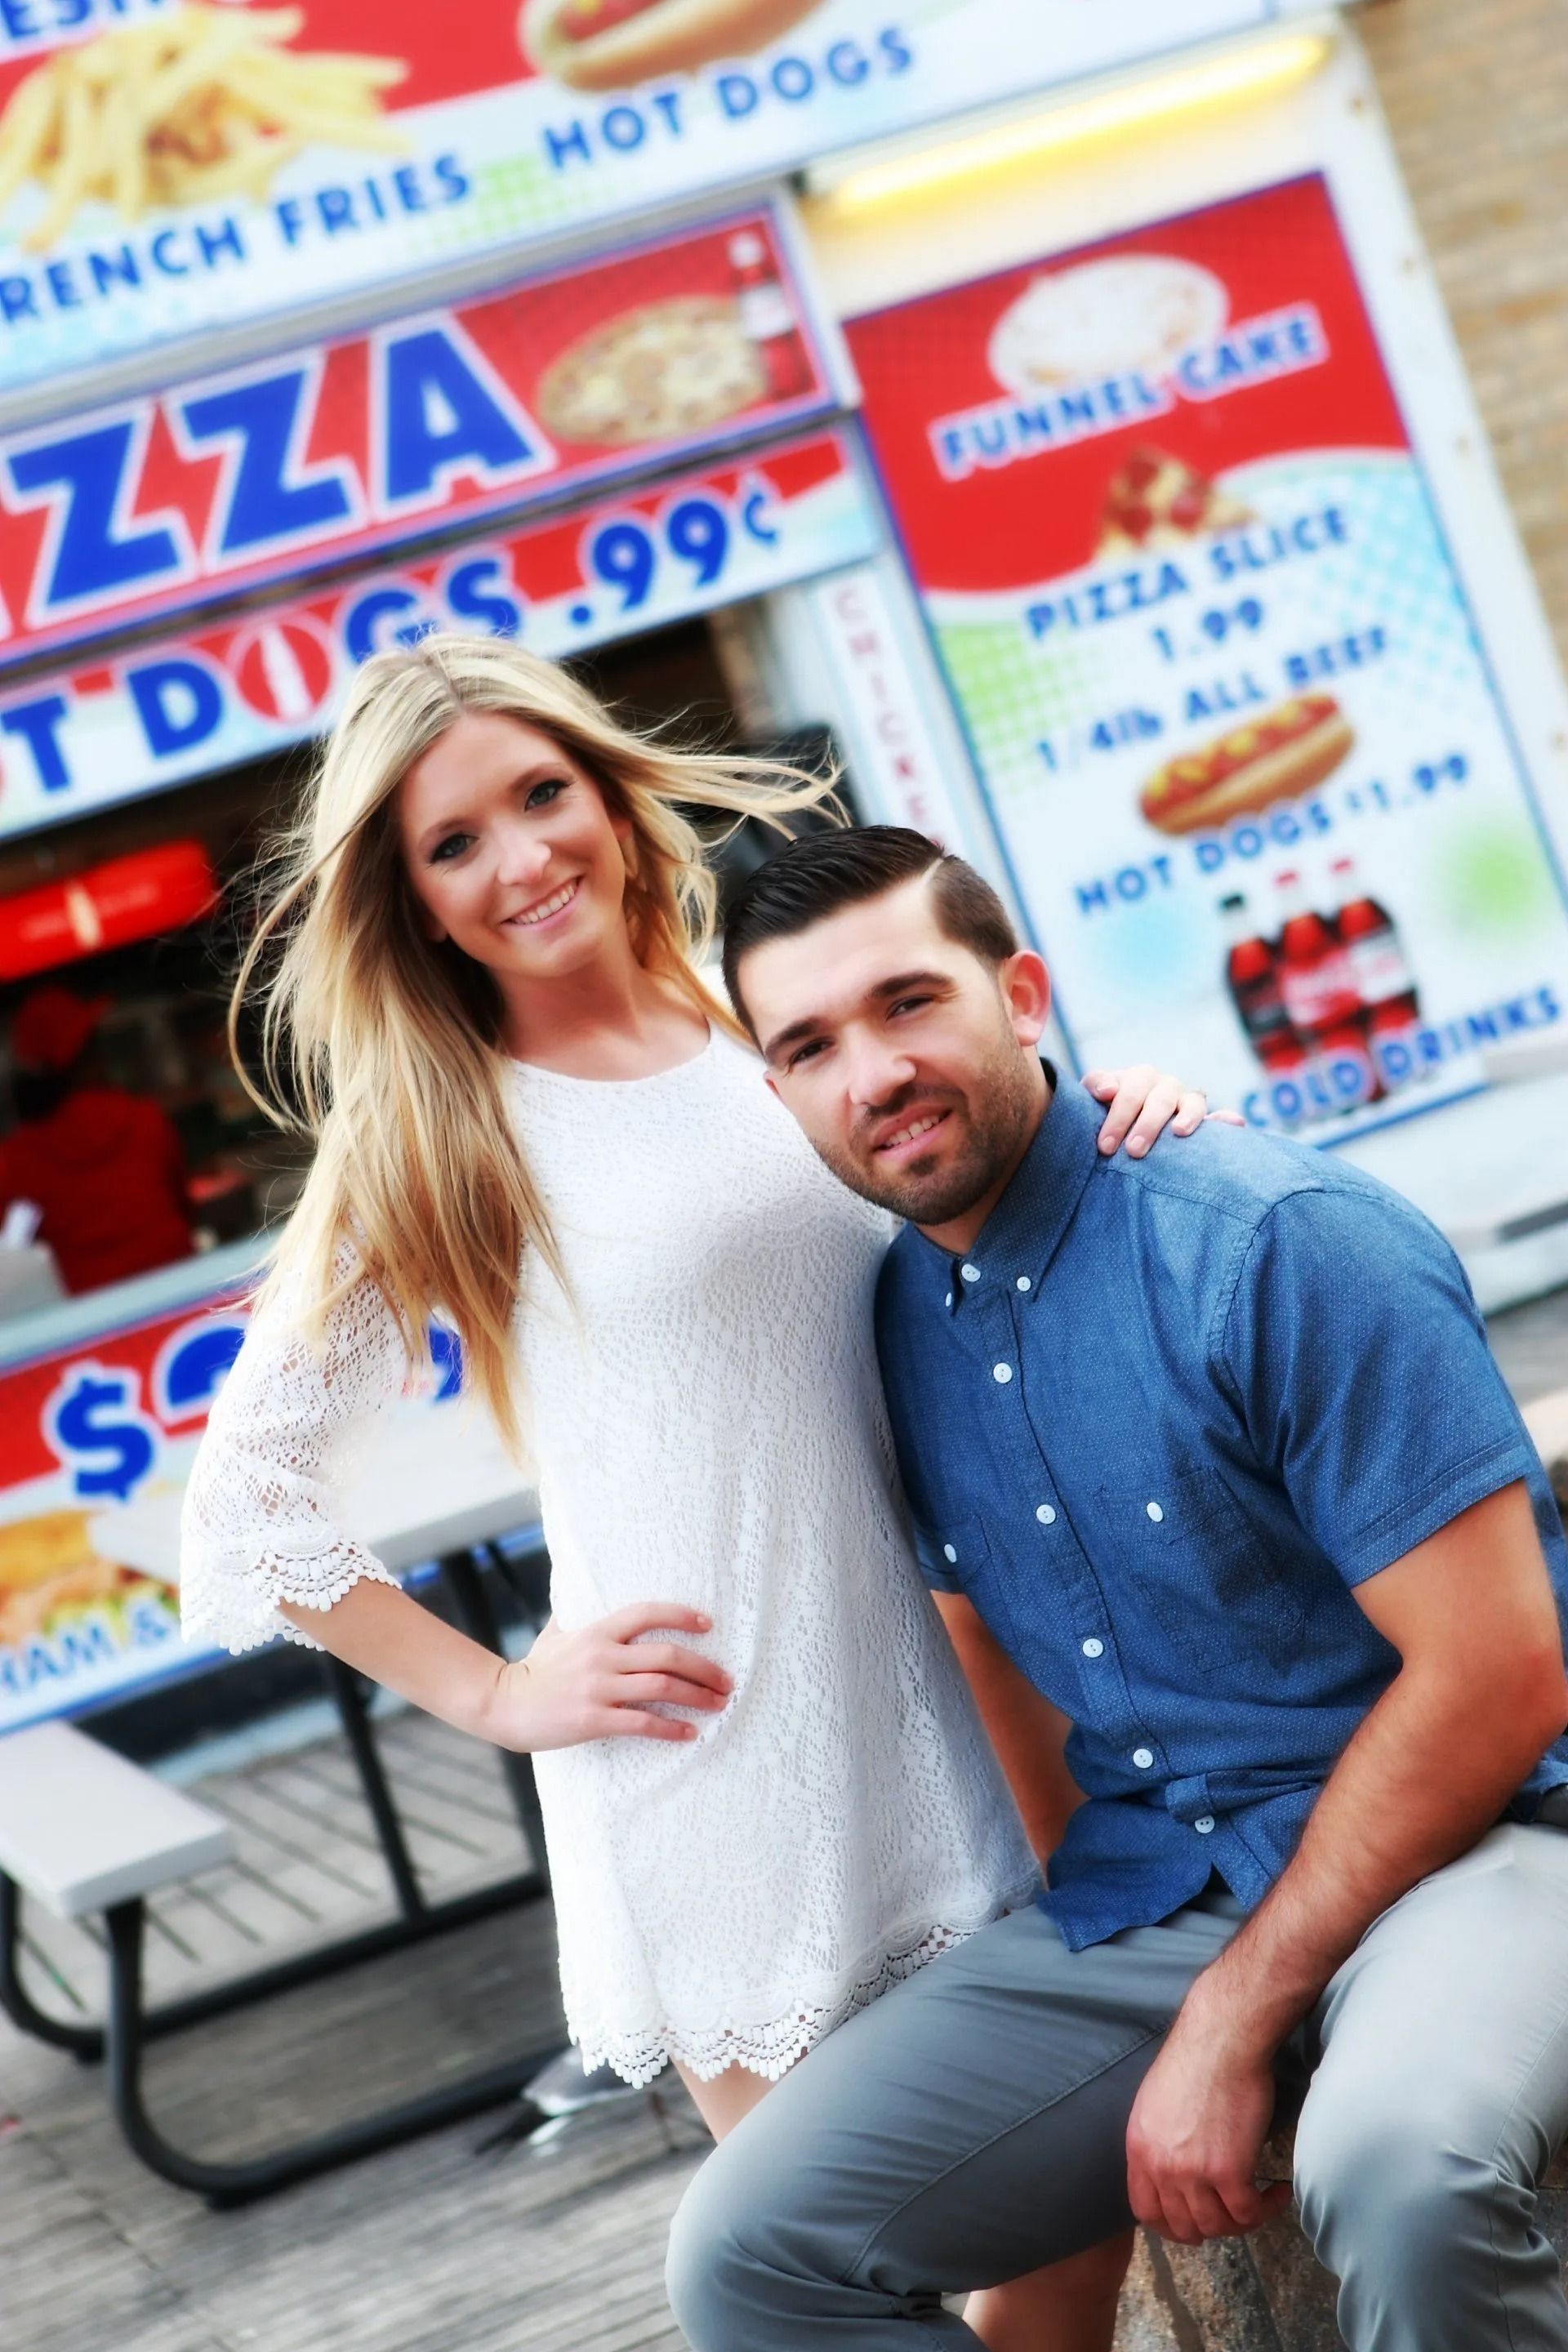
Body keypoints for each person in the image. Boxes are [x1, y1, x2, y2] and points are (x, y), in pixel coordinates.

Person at [178, 635, 1214, 2348]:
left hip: (987, 1702)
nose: (520, 861)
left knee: (1075, 2220)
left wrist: (1128, 1110)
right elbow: (251, 1505)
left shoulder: (771, 1009)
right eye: (453, 844)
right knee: (828, 2271)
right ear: (411, 899)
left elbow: (977, 1161)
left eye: (540, 795)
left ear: (607, 792)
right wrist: (499, 1689)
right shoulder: (443, 1128)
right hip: (724, 1774)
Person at [669, 823, 1568, 2352]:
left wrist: (1236, 2018)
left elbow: (1499, 1679)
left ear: (1020, 993)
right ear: (779, 1098)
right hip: (1165, 1887)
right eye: (811, 1045)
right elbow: (992, 1656)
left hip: (1483, 1844)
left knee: (1400, 2175)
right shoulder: (898, 1318)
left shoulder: (1275, 1241)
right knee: (749, 2252)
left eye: (908, 1003)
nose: (872, 1072)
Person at [0, 982, 193, 1294]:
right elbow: (184, 1207)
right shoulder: (144, 1119)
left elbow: (13, 1263)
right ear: (87, 1059)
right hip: (184, 1296)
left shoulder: (15, 1162)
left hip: (94, 1329)